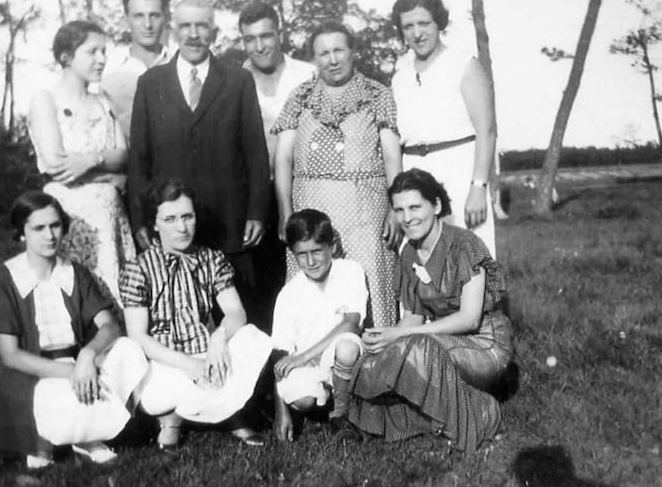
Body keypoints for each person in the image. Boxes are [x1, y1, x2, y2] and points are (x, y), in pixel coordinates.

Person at [128, 0, 270, 328]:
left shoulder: (237, 81)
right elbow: (139, 160)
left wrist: (256, 212)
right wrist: (140, 221)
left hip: (229, 225)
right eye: (186, 26)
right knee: (176, 322)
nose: (193, 34)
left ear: (214, 31)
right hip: (173, 225)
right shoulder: (151, 84)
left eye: (202, 26)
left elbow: (255, 152)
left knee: (240, 321)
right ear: (173, 29)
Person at [348, 169, 513, 452]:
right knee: (375, 357)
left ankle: (482, 414)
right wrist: (385, 336)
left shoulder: (465, 245)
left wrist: (407, 335)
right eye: (399, 210)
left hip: (485, 344)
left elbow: (470, 318)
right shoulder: (408, 253)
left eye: (415, 207)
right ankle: (432, 419)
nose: (407, 217)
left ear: (436, 206)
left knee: (418, 348)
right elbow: (412, 317)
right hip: (439, 341)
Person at [0, 191, 148, 468]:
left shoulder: (75, 272)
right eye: (38, 228)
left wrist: (87, 356)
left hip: (79, 362)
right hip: (35, 372)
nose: (49, 235)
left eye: (55, 225)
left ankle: (86, 434)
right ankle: (67, 437)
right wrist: (74, 373)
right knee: (55, 399)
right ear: (21, 233)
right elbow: (10, 355)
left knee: (128, 349)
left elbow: (110, 326)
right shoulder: (5, 278)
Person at [119, 178, 272, 450]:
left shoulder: (210, 259)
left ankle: (184, 415)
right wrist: (186, 365)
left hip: (207, 354)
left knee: (253, 339)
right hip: (166, 363)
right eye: (170, 219)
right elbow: (138, 336)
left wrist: (219, 338)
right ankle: (214, 414)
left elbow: (236, 312)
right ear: (154, 223)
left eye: (187, 217)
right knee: (154, 394)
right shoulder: (138, 268)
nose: (181, 227)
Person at [273, 21, 402, 328]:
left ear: (352, 52)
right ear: (314, 58)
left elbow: (392, 157)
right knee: (312, 288)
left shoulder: (376, 94)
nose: (332, 59)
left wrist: (395, 209)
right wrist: (285, 211)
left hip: (365, 210)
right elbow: (282, 160)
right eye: (323, 53)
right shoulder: (300, 96)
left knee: (369, 283)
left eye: (339, 50)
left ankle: (376, 363)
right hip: (310, 206)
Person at [29, 20, 134, 305]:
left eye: (104, 51)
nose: (101, 59)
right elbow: (56, 165)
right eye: (92, 52)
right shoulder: (45, 100)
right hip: (69, 214)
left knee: (118, 297)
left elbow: (123, 156)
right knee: (75, 298)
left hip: (110, 216)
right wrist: (106, 166)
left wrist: (90, 159)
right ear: (66, 57)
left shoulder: (103, 101)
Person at [391, 0, 498, 256]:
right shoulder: (399, 75)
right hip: (414, 175)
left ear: (439, 21)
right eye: (409, 26)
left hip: (459, 171)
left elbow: (487, 131)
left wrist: (478, 187)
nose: (417, 33)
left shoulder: (463, 64)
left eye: (424, 23)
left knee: (467, 260)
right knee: (421, 264)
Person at [238, 1, 315, 331]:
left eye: (266, 35)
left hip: (303, 185)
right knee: (264, 283)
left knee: (306, 271)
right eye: (250, 38)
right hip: (256, 194)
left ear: (280, 34)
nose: (259, 46)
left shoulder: (305, 74)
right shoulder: (236, 79)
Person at [271, 209, 367, 443]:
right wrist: (280, 413)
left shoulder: (349, 271)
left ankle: (341, 415)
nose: (311, 261)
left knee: (346, 346)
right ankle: (320, 409)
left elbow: (351, 323)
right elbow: (280, 355)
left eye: (317, 251)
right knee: (302, 399)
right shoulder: (289, 293)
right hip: (311, 367)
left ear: (332, 247)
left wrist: (302, 357)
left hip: (344, 360)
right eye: (302, 254)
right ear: (293, 254)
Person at [101, 0, 171, 143]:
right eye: (138, 16)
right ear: (126, 20)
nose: (147, 25)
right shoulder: (109, 71)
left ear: (165, 18)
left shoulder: (182, 65)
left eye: (154, 15)